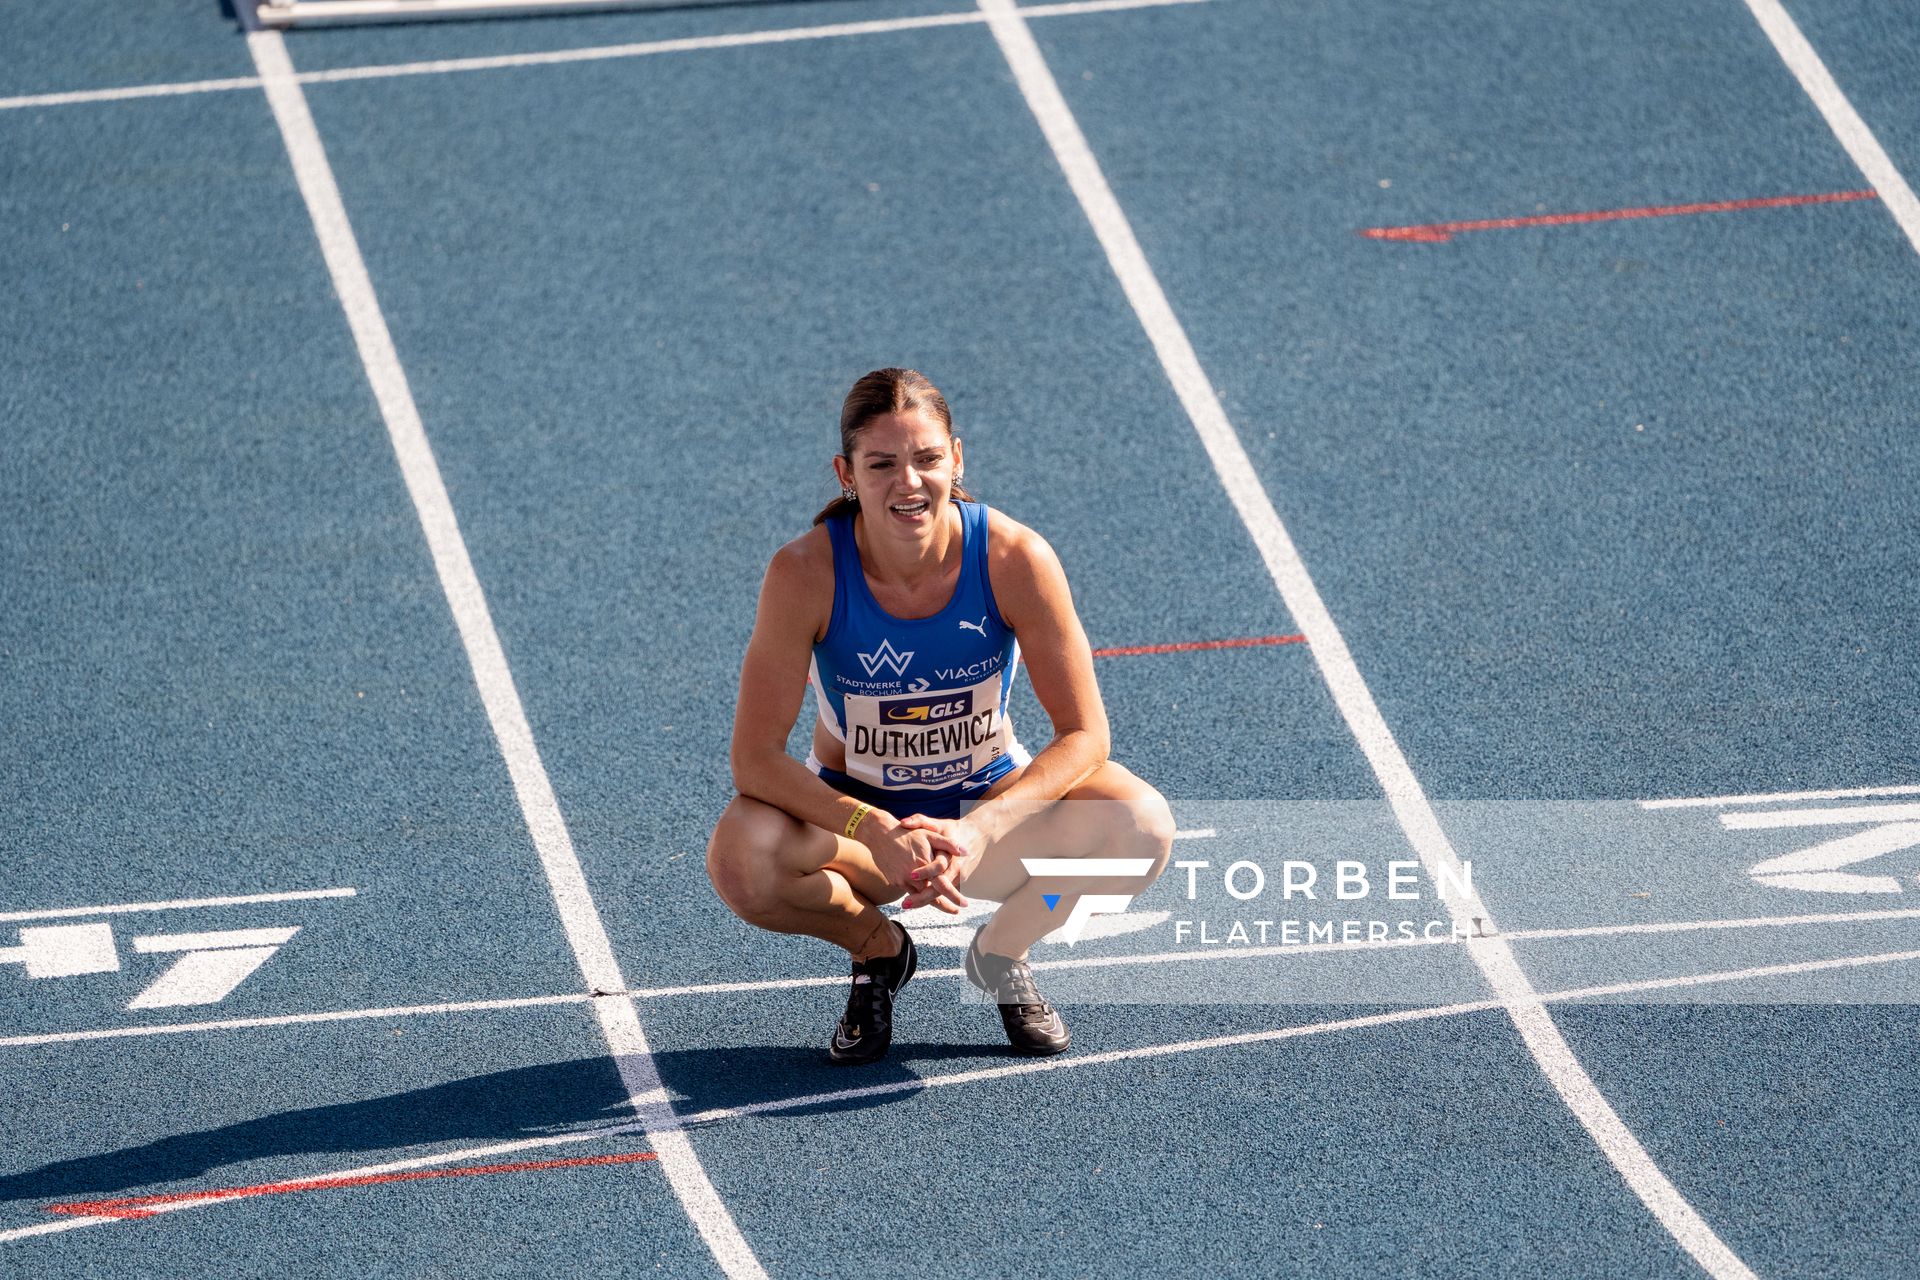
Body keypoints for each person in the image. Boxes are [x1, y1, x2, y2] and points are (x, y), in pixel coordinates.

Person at [706, 367, 1173, 1065]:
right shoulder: (804, 574)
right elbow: (756, 761)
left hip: (983, 813)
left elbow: (1086, 735)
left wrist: (982, 828)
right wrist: (875, 827)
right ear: (846, 473)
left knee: (1141, 827)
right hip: (860, 826)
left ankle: (1002, 952)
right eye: (882, 464)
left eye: (927, 459)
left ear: (957, 459)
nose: (909, 482)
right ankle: (878, 950)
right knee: (741, 859)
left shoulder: (1016, 558)